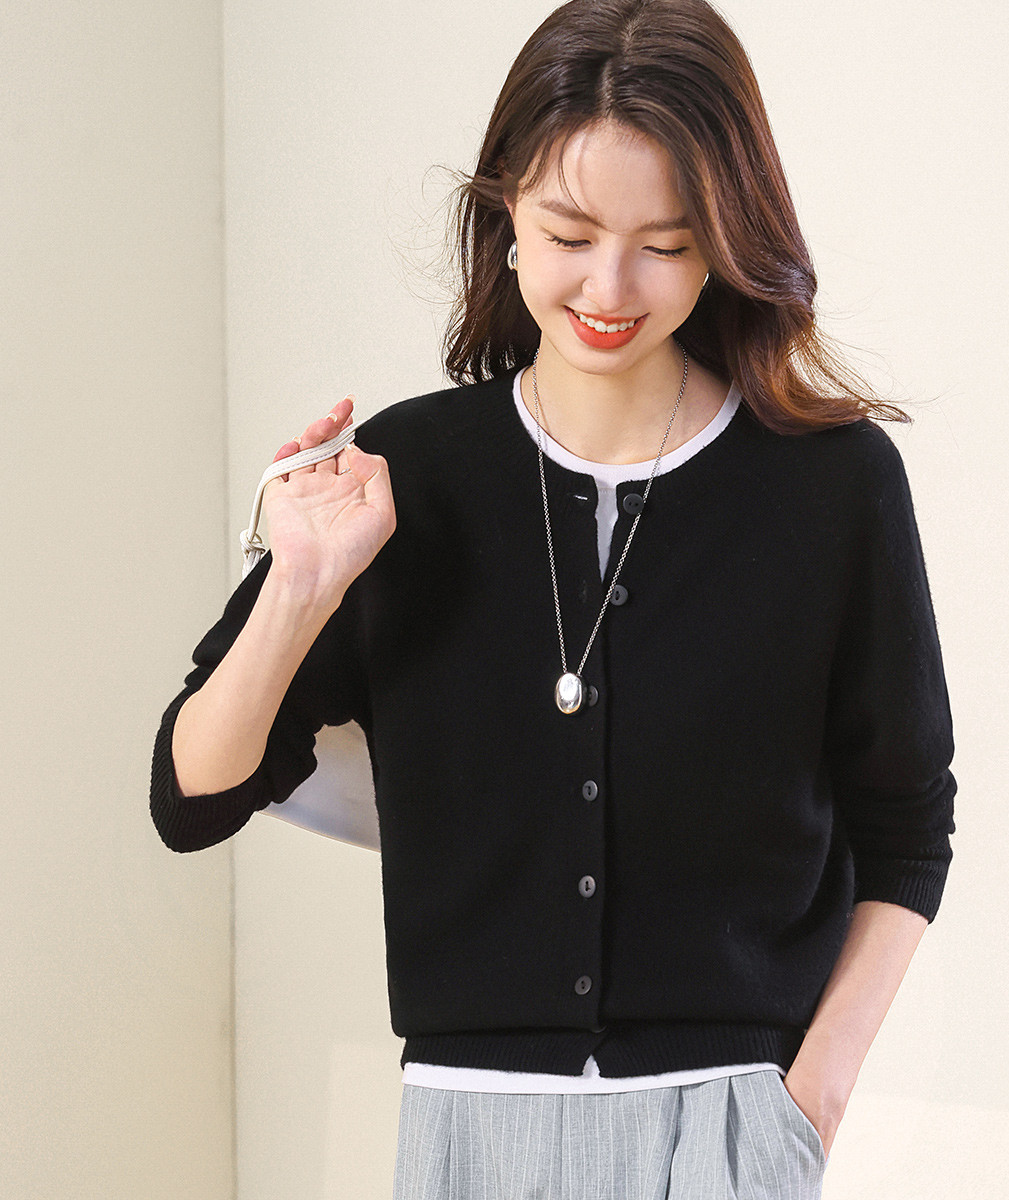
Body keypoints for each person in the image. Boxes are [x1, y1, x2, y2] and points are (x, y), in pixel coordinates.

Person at [150, 1, 956, 1195]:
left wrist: (810, 1099)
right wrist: (303, 585)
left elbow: (908, 825)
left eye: (666, 243)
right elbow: (192, 795)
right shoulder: (409, 477)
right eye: (570, 233)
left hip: (729, 1122)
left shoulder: (832, 487)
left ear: (725, 239)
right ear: (506, 216)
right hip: (469, 1130)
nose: (609, 286)